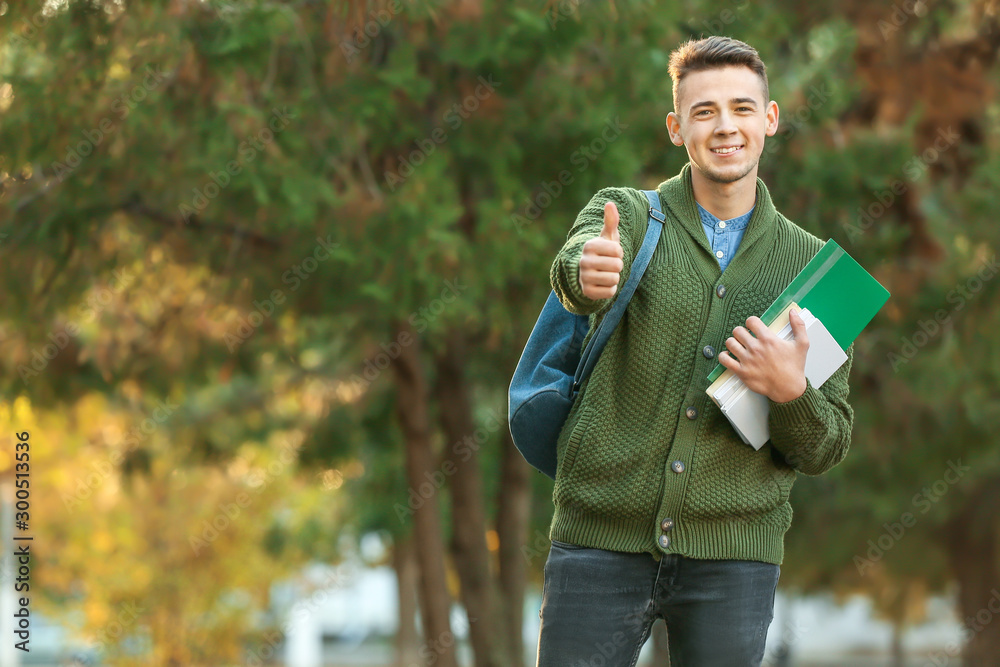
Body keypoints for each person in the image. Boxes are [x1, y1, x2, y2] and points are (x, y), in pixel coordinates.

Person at [537, 35, 854, 667]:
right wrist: (586, 275)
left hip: (734, 561)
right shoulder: (623, 215)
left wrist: (789, 389)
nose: (725, 126)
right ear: (676, 128)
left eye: (741, 108)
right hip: (598, 542)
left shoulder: (822, 274)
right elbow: (578, 264)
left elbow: (826, 446)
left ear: (769, 119)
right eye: (704, 111)